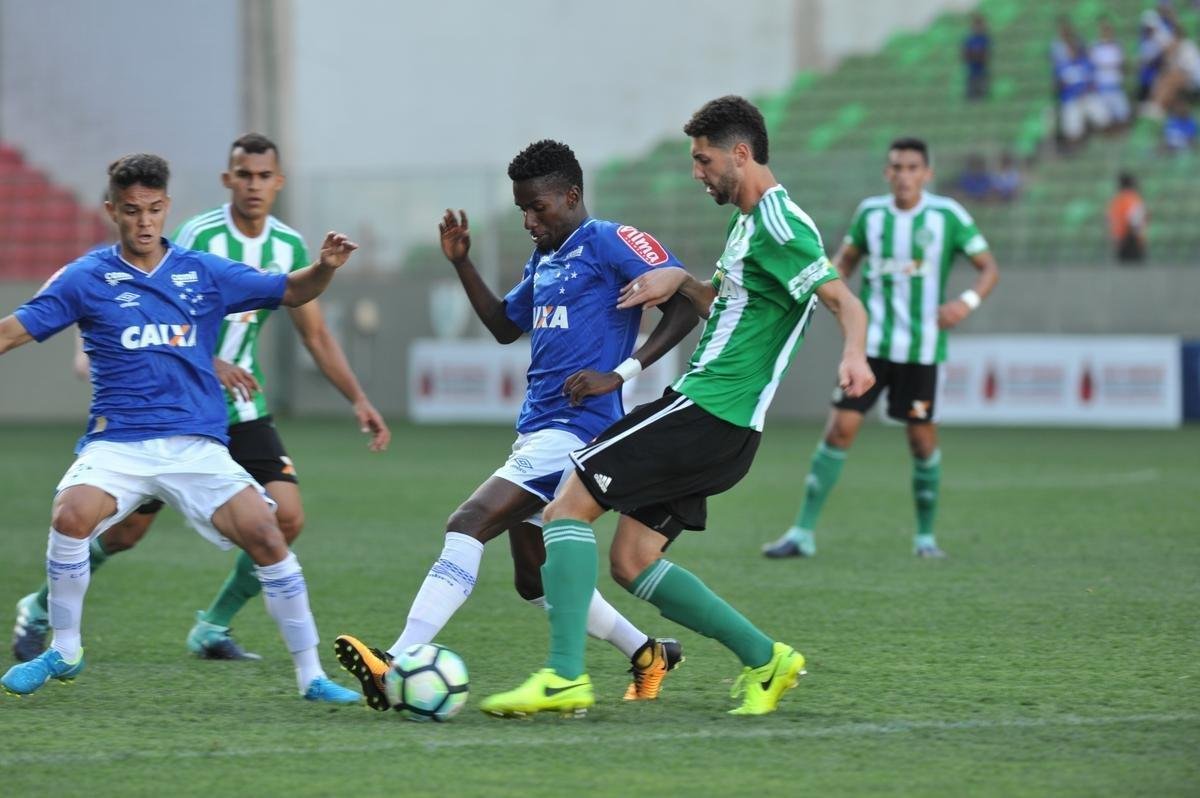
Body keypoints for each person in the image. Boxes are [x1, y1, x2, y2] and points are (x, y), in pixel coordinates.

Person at [478, 96, 874, 719]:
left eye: (704, 160)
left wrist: (855, 354)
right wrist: (681, 282)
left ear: (740, 154)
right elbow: (723, 305)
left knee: (566, 506)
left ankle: (564, 677)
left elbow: (843, 300)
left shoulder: (780, 223)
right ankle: (767, 659)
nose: (696, 173)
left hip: (707, 410)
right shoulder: (748, 223)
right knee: (632, 561)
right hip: (726, 427)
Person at [333, 140, 699, 711]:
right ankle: (648, 652)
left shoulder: (609, 241)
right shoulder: (545, 258)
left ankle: (396, 661)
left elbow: (685, 304)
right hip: (538, 428)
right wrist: (462, 262)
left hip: (578, 430)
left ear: (571, 196)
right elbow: (506, 326)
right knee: (534, 580)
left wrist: (620, 373)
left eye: (538, 208)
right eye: (523, 209)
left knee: (468, 521)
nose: (529, 221)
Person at [10, 133, 391, 664]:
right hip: (167, 409)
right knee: (122, 534)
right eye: (244, 175)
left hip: (241, 408)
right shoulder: (194, 237)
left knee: (284, 519)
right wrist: (206, 361)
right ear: (227, 179)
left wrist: (358, 398)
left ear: (278, 182)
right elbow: (155, 314)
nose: (253, 185)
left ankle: (215, 625)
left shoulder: (289, 246)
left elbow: (313, 329)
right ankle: (41, 607)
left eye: (263, 176)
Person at [764, 137, 1000, 561]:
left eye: (912, 168)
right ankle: (801, 533)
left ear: (926, 174)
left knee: (921, 443)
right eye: (897, 167)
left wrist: (965, 303)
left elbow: (988, 269)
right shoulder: (871, 214)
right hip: (869, 348)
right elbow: (845, 261)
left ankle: (925, 538)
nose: (904, 175)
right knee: (838, 431)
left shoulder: (947, 216)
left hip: (921, 351)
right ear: (887, 173)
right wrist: (826, 283)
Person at [1090, 18, 1131, 129]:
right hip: (1101, 88)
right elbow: (1091, 69)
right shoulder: (1094, 47)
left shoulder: (1118, 46)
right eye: (1104, 29)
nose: (1106, 32)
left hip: (1116, 87)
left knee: (1124, 116)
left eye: (1108, 29)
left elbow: (1124, 66)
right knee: (1104, 120)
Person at [1107, 172, 1148, 263]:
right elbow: (1135, 221)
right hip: (1131, 240)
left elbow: (1110, 220)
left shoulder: (1116, 201)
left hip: (1120, 240)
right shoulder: (1133, 199)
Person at [962, 13, 991, 101]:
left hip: (981, 71)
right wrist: (975, 55)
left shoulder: (985, 39)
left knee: (982, 94)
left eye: (979, 25)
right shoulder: (969, 39)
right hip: (972, 72)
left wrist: (975, 55)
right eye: (976, 25)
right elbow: (965, 55)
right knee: (972, 95)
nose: (978, 28)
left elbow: (985, 55)